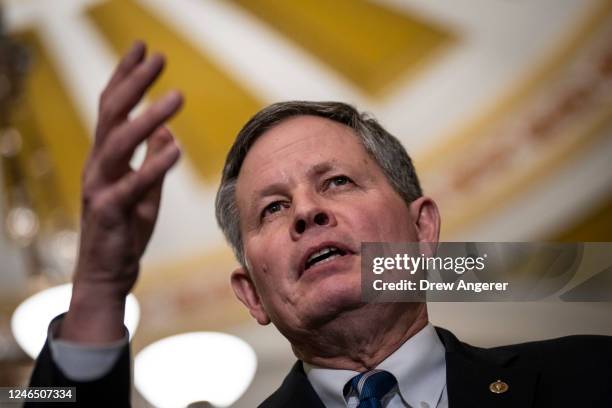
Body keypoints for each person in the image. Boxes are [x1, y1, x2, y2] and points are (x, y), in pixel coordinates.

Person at [27, 42, 612, 408]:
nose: (307, 211)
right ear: (253, 295)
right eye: (273, 208)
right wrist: (100, 290)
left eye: (336, 182)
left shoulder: (588, 378)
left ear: (423, 231)